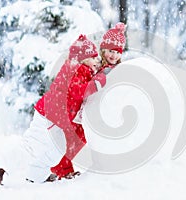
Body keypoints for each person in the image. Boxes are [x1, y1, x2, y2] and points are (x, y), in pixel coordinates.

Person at [23, 34, 107, 183]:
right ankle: (33, 176)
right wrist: (94, 85)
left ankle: (47, 172)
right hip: (50, 115)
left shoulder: (81, 70)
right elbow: (76, 91)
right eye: (93, 57)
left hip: (53, 115)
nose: (97, 60)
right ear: (83, 58)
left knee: (60, 147)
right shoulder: (75, 69)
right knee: (54, 148)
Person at [72, 22, 126, 124]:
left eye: (118, 52)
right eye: (111, 51)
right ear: (103, 50)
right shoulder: (98, 65)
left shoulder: (111, 69)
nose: (114, 56)